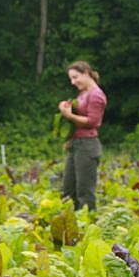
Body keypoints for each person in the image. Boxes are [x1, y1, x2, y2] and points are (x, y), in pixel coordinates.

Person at [58, 61, 107, 210]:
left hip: (87, 145)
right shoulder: (83, 93)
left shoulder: (96, 95)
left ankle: (87, 225)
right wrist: (65, 106)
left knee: (84, 191)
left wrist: (69, 115)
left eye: (75, 77)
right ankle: (71, 224)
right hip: (76, 143)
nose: (73, 82)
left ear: (86, 73)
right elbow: (77, 114)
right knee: (68, 190)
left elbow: (92, 121)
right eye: (71, 79)